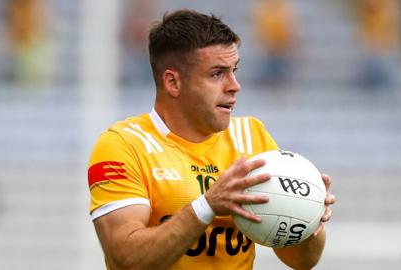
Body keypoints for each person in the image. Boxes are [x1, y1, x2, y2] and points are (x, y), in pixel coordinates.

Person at [88, 9, 335, 270]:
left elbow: (303, 261)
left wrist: (308, 219)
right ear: (173, 82)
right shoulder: (123, 146)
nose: (234, 85)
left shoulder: (251, 137)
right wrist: (207, 206)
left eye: (234, 70)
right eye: (217, 74)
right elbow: (126, 260)